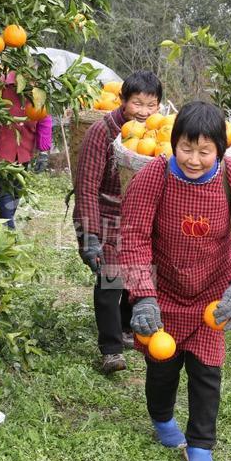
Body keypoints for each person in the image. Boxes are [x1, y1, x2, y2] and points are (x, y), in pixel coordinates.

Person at [119, 101, 231, 461]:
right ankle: (163, 420)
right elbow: (133, 237)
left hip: (212, 296)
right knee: (162, 369)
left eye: (205, 150)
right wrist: (143, 295)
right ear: (173, 142)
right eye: (187, 147)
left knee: (206, 373)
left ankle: (200, 443)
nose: (195, 159)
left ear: (220, 148)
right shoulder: (154, 176)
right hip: (164, 293)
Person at [73, 71, 163, 373]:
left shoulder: (159, 136)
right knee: (111, 280)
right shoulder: (102, 132)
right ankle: (111, 350)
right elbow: (86, 185)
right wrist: (90, 235)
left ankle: (126, 330)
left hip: (141, 219)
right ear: (123, 100)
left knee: (139, 274)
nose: (144, 112)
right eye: (138, 103)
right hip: (109, 216)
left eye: (152, 105)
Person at [0, 71, 52, 229]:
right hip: (3, 146)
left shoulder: (37, 93)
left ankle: (8, 221)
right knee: (6, 186)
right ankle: (8, 226)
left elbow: (44, 120)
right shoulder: (0, 88)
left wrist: (43, 151)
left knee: (18, 188)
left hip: (24, 148)